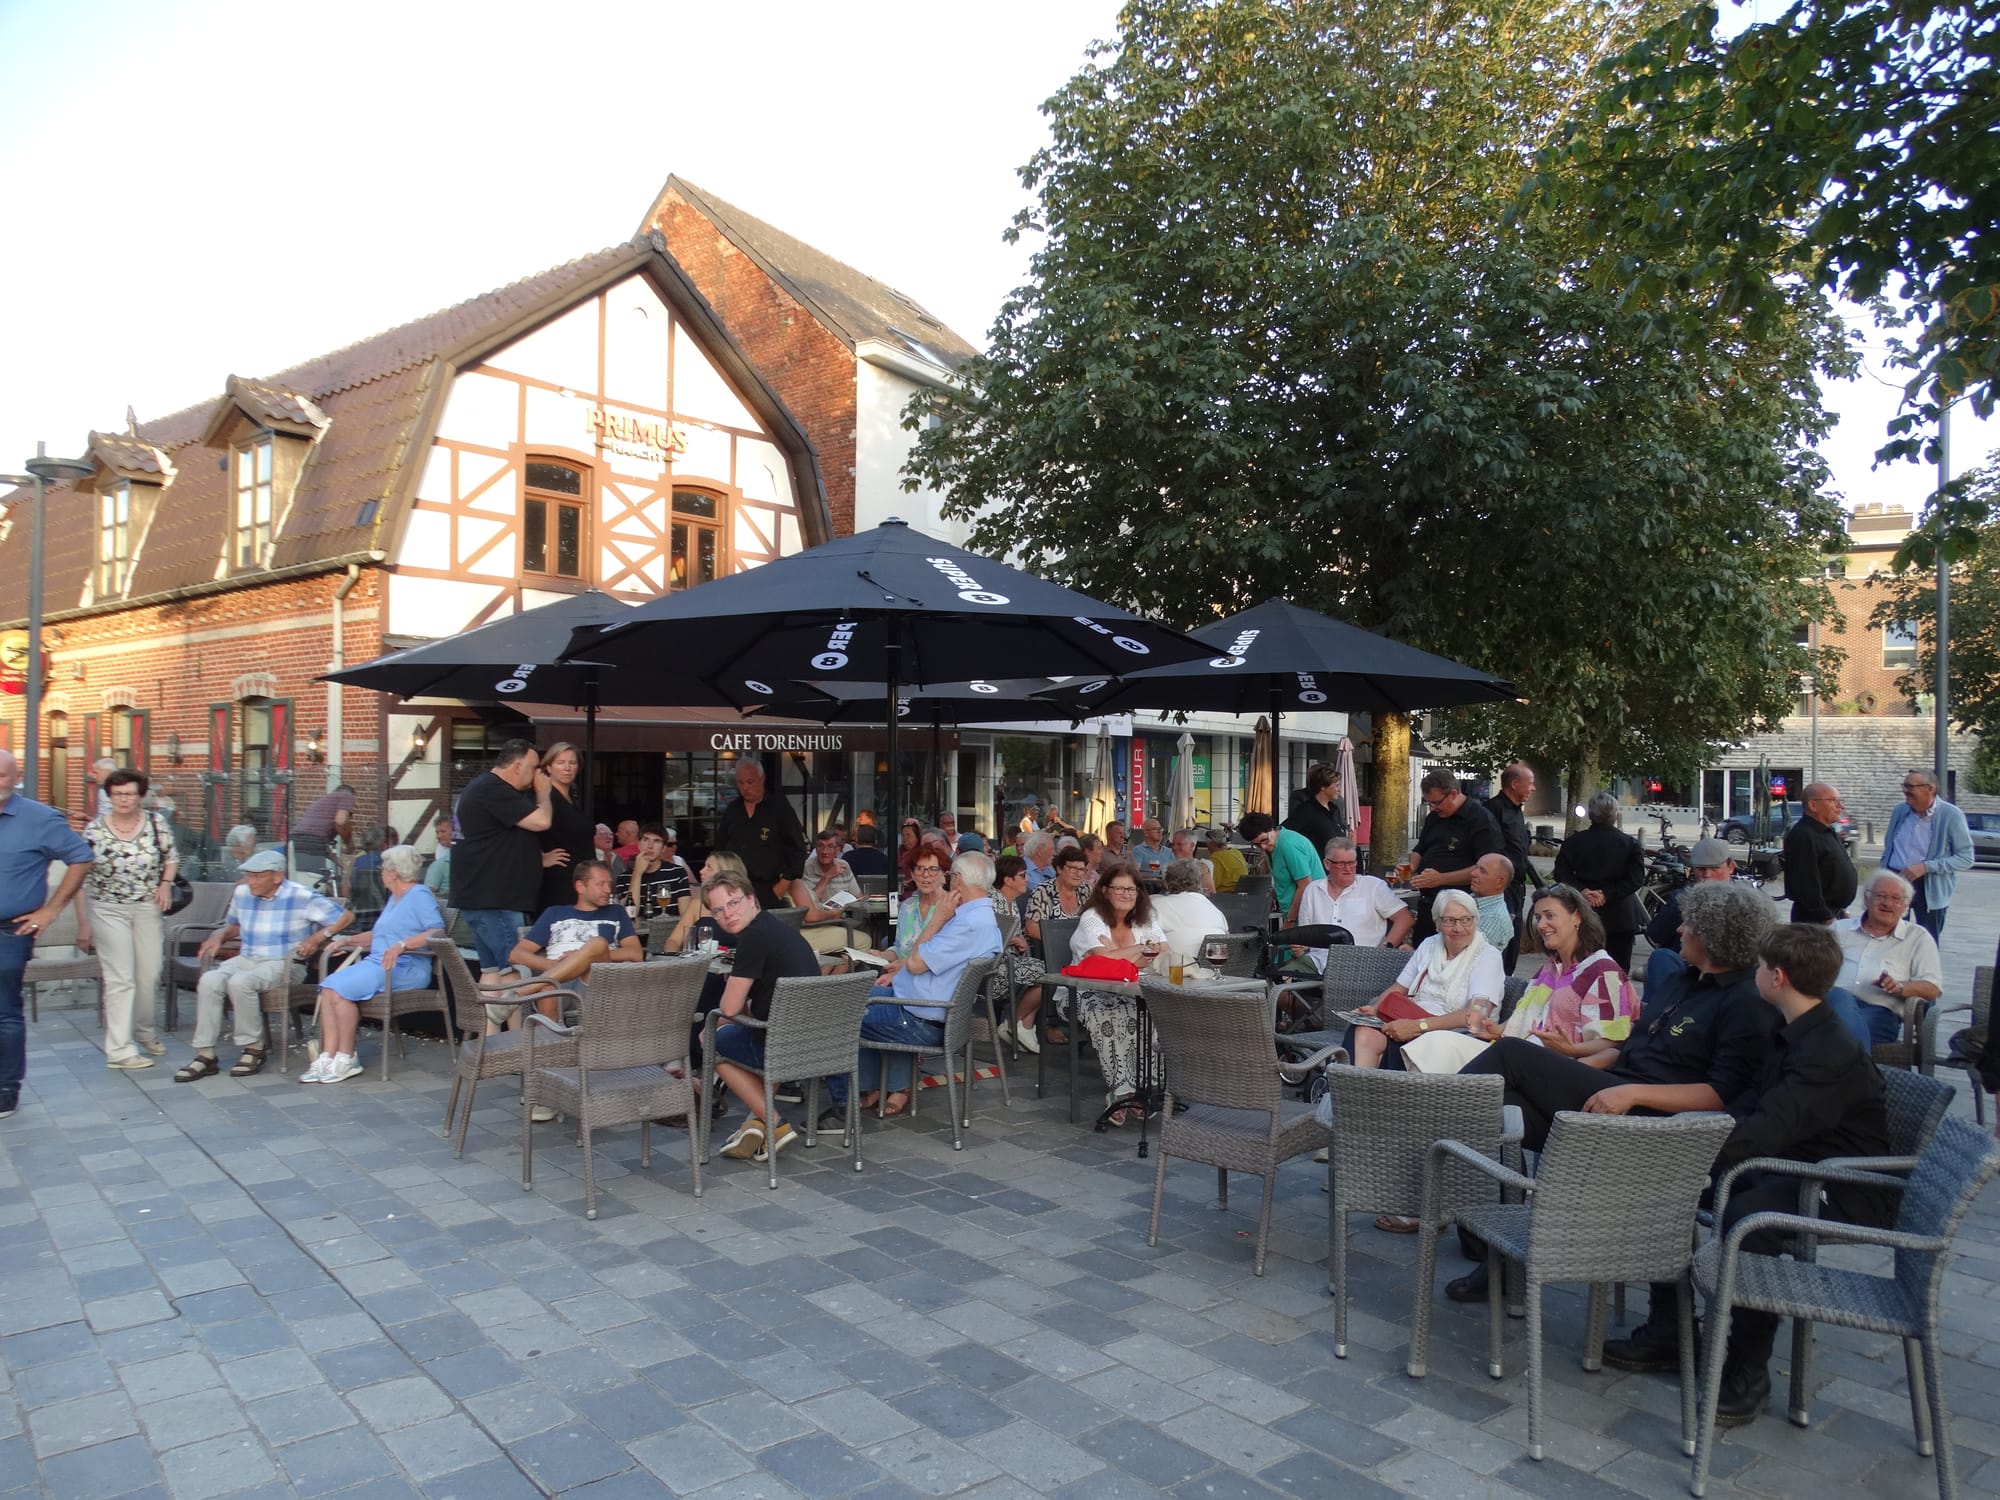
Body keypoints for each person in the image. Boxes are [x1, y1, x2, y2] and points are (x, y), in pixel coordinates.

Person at [1602, 923, 1892, 1427]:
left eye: (1759, 966)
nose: (1753, 973)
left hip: (1843, 1184)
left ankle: (1747, 1369)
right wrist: (1681, 1149)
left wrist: (1690, 1154)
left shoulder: (1826, 1051)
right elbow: (1750, 1108)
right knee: (1668, 1185)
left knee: (1748, 1216)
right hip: (1792, 1162)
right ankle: (1671, 1331)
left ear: (1777, 978)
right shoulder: (1794, 1027)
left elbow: (1767, 1130)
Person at [1449, 879, 1776, 1299]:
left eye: (1688, 924)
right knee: (1499, 1111)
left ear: (1715, 934)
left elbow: (1720, 1094)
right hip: (1614, 1094)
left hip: (1658, 1125)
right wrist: (1569, 1067)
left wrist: (1633, 1094)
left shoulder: (1745, 1001)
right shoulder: (1682, 982)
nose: (1679, 929)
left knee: (1511, 1054)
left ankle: (1426, 1133)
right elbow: (1624, 1049)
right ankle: (1501, 1257)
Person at [821, 851, 1003, 1123]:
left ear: (958, 879)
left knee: (836, 1014)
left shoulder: (967, 922)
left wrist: (937, 918)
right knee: (847, 995)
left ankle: (842, 1107)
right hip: (921, 1005)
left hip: (919, 1017)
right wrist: (899, 969)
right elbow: (919, 961)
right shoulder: (981, 917)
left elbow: (917, 963)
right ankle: (872, 1086)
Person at [1408, 884, 1640, 1075]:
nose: (1541, 925)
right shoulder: (1550, 969)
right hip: (1514, 1053)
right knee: (1432, 1044)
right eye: (1538, 917)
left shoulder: (1601, 971)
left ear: (1576, 917)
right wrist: (1497, 1030)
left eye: (1550, 916)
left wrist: (1571, 1049)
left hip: (1551, 1066)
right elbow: (1529, 1019)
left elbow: (1614, 1041)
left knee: (1438, 1047)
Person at [179, 851, 351, 1082]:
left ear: (277, 876)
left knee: (241, 982)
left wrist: (317, 938)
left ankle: (253, 1048)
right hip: (247, 958)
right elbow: (234, 925)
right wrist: (219, 936)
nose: (251, 881)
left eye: (257, 876)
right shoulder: (243, 893)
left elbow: (346, 917)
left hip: (285, 962)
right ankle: (206, 1054)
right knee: (209, 980)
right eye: (249, 875)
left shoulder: (301, 895)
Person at [703, 872, 824, 1162]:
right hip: (819, 1045)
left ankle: (774, 1123)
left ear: (751, 899)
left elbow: (728, 1009)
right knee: (748, 1032)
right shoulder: (774, 927)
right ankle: (755, 1123)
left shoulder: (752, 937)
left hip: (784, 1049)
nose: (727, 914)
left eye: (733, 903)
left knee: (709, 1039)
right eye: (718, 910)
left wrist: (722, 1016)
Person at [0, 749, 94, 1118]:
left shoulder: (39, 818)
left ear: (16, 777)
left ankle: (6, 1089)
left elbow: (81, 857)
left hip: (10, 930)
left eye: (1, 776)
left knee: (4, 1011)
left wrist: (51, 910)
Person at [303, 846, 445, 1084]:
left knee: (338, 989)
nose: (380, 873)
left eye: (382, 868)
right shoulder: (395, 898)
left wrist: (402, 945)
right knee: (328, 987)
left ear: (394, 873)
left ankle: (347, 1057)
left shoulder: (419, 895)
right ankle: (328, 1056)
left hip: (406, 966)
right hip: (380, 963)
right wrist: (347, 940)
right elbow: (380, 935)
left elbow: (437, 931)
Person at [1346, 889, 1505, 1074]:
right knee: (1364, 1033)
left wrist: (1418, 1026)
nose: (1458, 928)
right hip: (1412, 1024)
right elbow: (1399, 988)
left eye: (1466, 920)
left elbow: (1477, 1017)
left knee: (1422, 1047)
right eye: (1449, 920)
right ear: (1437, 923)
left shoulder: (1487, 957)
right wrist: (1375, 1009)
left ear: (1476, 921)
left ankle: (1395, 1089)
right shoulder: (1430, 945)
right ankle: (1358, 1089)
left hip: (1454, 1036)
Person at [83, 769, 177, 1070]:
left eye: (130, 793)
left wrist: (165, 884)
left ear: (141, 796)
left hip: (147, 906)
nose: (124, 799)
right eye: (118, 794)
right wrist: (83, 922)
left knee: (149, 973)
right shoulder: (94, 830)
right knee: (120, 977)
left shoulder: (156, 823)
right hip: (107, 908)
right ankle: (120, 1050)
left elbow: (171, 857)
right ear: (109, 796)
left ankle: (143, 1031)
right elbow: (78, 873)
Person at [1070, 861, 1168, 1124]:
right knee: (1109, 1018)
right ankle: (1122, 1091)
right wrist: (1140, 950)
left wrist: (1117, 954)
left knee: (1149, 1018)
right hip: (1084, 992)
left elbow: (1163, 953)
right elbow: (1102, 962)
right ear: (1104, 891)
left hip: (1131, 993)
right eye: (1119, 888)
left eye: (1132, 889)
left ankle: (1144, 1089)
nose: (1127, 894)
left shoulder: (1146, 917)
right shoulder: (1092, 918)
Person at [451, 739, 553, 978]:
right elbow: (541, 821)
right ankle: (512, 1006)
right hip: (496, 900)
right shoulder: (494, 789)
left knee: (492, 971)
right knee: (515, 970)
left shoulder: (483, 787)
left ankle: (487, 1007)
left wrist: (535, 859)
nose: (537, 774)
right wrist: (544, 793)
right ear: (517, 767)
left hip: (483, 897)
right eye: (533, 767)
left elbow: (498, 840)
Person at [1000, 842, 1092, 1054]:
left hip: (1078, 950)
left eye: (1082, 869)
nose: (1078, 874)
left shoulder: (1086, 891)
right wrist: (1060, 942)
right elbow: (1031, 927)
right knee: (1055, 968)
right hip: (1046, 949)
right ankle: (1028, 1023)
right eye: (1073, 868)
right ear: (1059, 868)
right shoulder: (1045, 891)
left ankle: (1022, 1025)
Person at [1834, 870, 1943, 1048]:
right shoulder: (1839, 929)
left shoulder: (1917, 937)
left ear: (1905, 905)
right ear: (1867, 899)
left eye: (1896, 898)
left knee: (1837, 1032)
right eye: (1881, 896)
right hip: (1833, 1004)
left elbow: (1932, 989)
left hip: (1879, 1011)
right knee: (1837, 999)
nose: (1887, 903)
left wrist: (1900, 987)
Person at [1402, 769, 1503, 941]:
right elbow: (1420, 848)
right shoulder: (1434, 817)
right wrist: (1411, 867)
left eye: (1436, 802)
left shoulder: (1480, 820)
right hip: (1428, 904)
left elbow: (1486, 870)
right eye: (1428, 803)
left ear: (1453, 794)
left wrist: (1441, 879)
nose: (1432, 808)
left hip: (1458, 909)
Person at [1552, 792, 1646, 973]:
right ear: (1616, 815)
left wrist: (1582, 890)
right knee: (1617, 972)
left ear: (1590, 815)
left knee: (1581, 970)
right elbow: (1635, 879)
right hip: (1620, 915)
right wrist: (1606, 894)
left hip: (1582, 915)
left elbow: (1561, 873)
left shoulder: (1574, 842)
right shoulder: (1630, 844)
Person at [1882, 768, 1973, 939]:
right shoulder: (1900, 810)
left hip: (1929, 887)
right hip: (1895, 881)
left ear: (1929, 789)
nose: (1905, 790)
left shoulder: (1951, 815)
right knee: (1889, 938)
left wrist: (1926, 867)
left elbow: (1966, 858)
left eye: (1910, 786)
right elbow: (1889, 847)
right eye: (1904, 785)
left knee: (1926, 941)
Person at [1295, 837, 1412, 970]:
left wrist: (1384, 950)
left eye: (1352, 863)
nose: (1348, 869)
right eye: (1341, 864)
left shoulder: (1372, 886)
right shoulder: (1313, 890)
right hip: (1318, 962)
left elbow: (1405, 918)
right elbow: (1304, 936)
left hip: (1362, 965)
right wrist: (1300, 947)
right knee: (1281, 977)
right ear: (1327, 864)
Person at [1641, 837, 1736, 989]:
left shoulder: (1744, 903)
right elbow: (1655, 933)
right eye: (1701, 869)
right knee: (1661, 959)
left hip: (1723, 978)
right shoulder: (1681, 898)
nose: (1707, 875)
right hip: (1683, 972)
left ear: (1730, 867)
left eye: (1715, 868)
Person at [719, 760, 807, 906]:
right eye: (740, 783)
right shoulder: (732, 810)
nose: (745, 788)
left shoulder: (779, 809)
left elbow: (797, 849)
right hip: (734, 887)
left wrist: (781, 887)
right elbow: (720, 849)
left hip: (768, 888)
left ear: (762, 779)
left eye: (750, 782)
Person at [1483, 763, 1536, 970]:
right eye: (1530, 784)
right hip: (1501, 888)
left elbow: (1519, 850)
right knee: (1500, 945)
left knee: (1513, 943)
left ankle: (1508, 980)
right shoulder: (1492, 810)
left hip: (1517, 887)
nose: (1533, 789)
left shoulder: (1517, 811)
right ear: (1514, 784)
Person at [1782, 781, 1856, 924]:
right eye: (1833, 801)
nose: (1841, 806)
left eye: (1840, 801)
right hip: (1816, 920)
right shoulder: (1803, 835)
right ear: (1813, 805)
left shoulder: (1827, 831)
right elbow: (1805, 884)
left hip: (1834, 913)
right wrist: (1826, 917)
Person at [534, 741, 593, 915]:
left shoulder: (573, 797)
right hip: (558, 882)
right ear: (548, 767)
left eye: (572, 763)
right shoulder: (544, 796)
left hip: (580, 879)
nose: (567, 768)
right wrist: (538, 858)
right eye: (561, 762)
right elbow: (523, 831)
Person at [789, 828, 864, 964]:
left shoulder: (844, 866)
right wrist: (827, 876)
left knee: (860, 934)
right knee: (862, 942)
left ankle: (840, 974)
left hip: (841, 921)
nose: (825, 851)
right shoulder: (806, 867)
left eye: (830, 847)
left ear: (838, 850)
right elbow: (810, 903)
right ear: (816, 849)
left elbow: (858, 896)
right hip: (817, 925)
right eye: (821, 846)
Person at [663, 849, 749, 957]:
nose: (701, 871)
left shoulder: (744, 906)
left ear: (725, 873)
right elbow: (673, 941)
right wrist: (672, 958)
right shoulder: (697, 905)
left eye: (709, 867)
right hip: (699, 964)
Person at [1237, 812, 1320, 923]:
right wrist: (1271, 897)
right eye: (1257, 844)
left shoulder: (1288, 845)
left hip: (1308, 915)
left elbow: (1305, 885)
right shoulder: (1274, 845)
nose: (1263, 847)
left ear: (1271, 829)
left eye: (1264, 840)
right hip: (1295, 913)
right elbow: (1285, 878)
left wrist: (1291, 920)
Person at [1152, 860, 1231, 958]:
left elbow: (1144, 939)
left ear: (1166, 883)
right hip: (1217, 964)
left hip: (1178, 965)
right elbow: (1228, 939)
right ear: (1199, 882)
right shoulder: (1213, 908)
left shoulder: (1157, 905)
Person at [628, 823, 691, 922]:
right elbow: (630, 914)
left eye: (656, 841)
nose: (650, 846)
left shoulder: (677, 873)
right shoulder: (624, 877)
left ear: (663, 848)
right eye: (646, 840)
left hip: (672, 930)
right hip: (639, 931)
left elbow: (686, 916)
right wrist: (637, 873)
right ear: (639, 844)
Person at [293, 784, 356, 881]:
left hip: (296, 841)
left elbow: (321, 845)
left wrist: (342, 865)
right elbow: (341, 822)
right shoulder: (346, 795)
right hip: (311, 843)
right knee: (316, 880)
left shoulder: (321, 805)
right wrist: (349, 844)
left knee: (304, 880)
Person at [1285, 763, 1347, 859]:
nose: (1339, 790)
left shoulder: (1334, 809)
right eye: (1336, 786)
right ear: (1323, 787)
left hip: (1335, 863)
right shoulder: (1306, 810)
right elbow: (1285, 833)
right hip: (1315, 864)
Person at [1466, 854, 1517, 954]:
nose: (1473, 873)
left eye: (1482, 871)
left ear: (1499, 882)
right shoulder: (1473, 899)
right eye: (1476, 868)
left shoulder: (1493, 917)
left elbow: (1466, 954)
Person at [1205, 826, 1247, 894]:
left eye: (1207, 843)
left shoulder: (1216, 857)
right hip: (1241, 892)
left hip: (1225, 894)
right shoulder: (1236, 852)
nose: (1207, 847)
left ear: (1212, 843)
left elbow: (1214, 883)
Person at [424, 815, 454, 899]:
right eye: (437, 832)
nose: (439, 836)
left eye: (443, 831)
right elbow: (428, 895)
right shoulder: (439, 864)